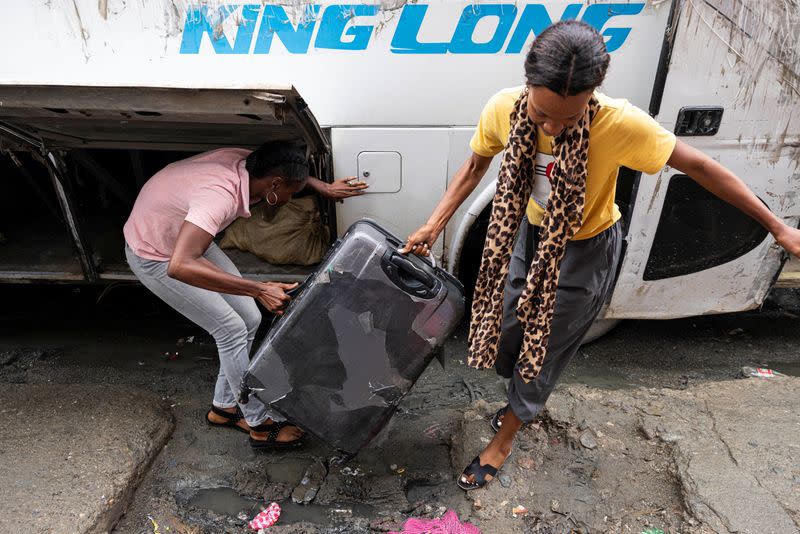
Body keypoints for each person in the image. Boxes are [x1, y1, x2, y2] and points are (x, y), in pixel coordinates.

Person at [401, 20, 800, 489]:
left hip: (586, 249)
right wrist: (434, 224)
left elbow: (700, 166)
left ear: (592, 95)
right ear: (527, 85)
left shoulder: (620, 123)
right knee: (509, 328)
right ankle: (517, 402)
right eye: (541, 112)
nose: (551, 127)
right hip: (527, 236)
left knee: (543, 349)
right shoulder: (502, 108)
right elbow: (475, 165)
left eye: (567, 120)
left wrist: (778, 227)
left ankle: (506, 436)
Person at [123, 141, 366, 450]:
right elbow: (180, 266)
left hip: (186, 237)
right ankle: (259, 424)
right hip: (157, 254)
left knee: (249, 317)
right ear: (275, 184)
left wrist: (323, 187)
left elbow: (289, 172)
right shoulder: (218, 199)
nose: (292, 197)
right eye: (292, 192)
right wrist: (259, 288)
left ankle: (224, 408)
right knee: (230, 329)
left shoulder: (252, 163)